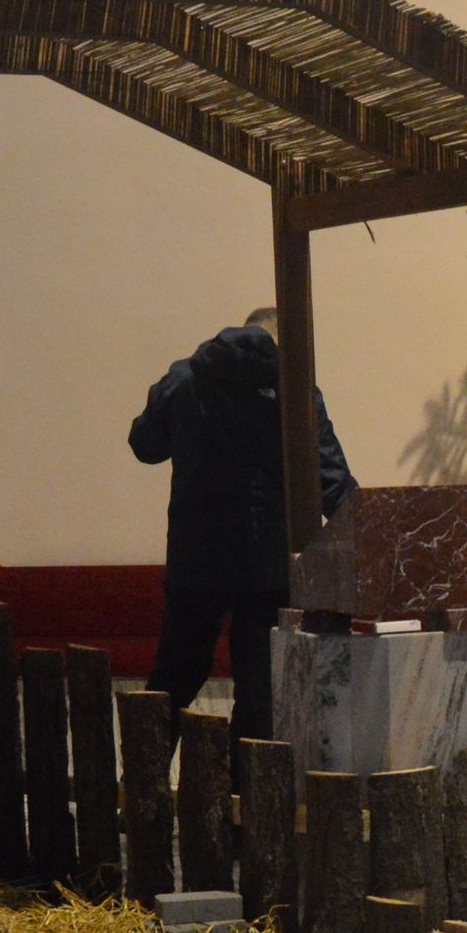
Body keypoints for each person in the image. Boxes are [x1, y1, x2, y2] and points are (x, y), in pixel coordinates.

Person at [130, 307, 355, 749]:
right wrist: (373, 534)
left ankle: (142, 779)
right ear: (281, 340)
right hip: (267, 563)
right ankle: (245, 790)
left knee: (173, 679)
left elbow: (144, 445)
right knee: (260, 693)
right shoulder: (296, 388)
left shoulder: (184, 378)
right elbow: (330, 480)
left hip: (196, 558)